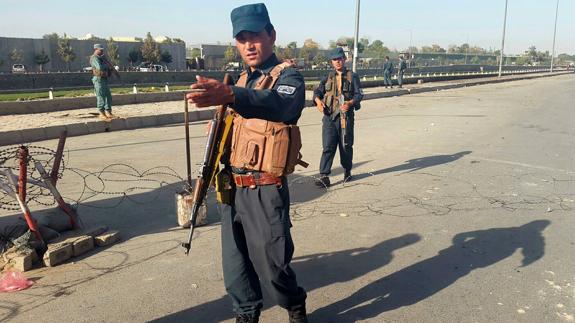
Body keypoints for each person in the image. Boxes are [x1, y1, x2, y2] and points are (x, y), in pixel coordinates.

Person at [186, 3, 308, 323]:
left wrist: (231, 95)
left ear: (271, 35)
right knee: (235, 264)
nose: (249, 45)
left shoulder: (288, 77)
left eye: (255, 35)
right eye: (241, 39)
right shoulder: (240, 79)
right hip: (232, 188)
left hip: (264, 189)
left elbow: (280, 105)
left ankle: (294, 304)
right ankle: (246, 314)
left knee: (274, 267)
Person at [313, 47, 363, 187]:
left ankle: (347, 171)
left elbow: (359, 94)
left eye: (340, 59)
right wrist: (318, 101)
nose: (338, 62)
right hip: (329, 117)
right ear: (332, 62)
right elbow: (317, 91)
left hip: (345, 117)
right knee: (328, 146)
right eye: (335, 60)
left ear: (344, 59)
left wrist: (350, 103)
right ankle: (324, 176)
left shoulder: (352, 76)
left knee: (346, 145)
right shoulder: (327, 76)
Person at [90, 44, 117, 120]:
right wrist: (107, 65)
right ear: (96, 49)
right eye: (100, 50)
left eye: (102, 50)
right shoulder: (94, 58)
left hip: (104, 78)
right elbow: (99, 67)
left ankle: (109, 112)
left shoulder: (101, 58)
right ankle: (101, 113)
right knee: (101, 96)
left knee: (108, 96)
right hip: (98, 79)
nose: (102, 51)